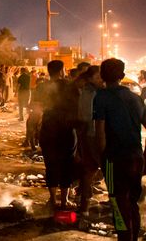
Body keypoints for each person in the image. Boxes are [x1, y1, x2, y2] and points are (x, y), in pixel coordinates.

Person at [94, 58, 146, 241]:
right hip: (136, 157)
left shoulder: (101, 97)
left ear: (102, 76)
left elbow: (100, 131)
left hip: (114, 159)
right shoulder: (135, 98)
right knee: (132, 202)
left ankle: (124, 239)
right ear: (123, 76)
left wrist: (101, 158)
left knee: (117, 202)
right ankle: (132, 239)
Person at [37, 60, 76, 211]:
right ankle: (64, 200)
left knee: (50, 164)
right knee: (67, 163)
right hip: (66, 128)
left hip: (48, 129)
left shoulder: (42, 86)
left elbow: (36, 108)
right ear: (61, 71)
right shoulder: (69, 86)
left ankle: (53, 199)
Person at [75, 65, 102, 216]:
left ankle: (84, 206)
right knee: (97, 170)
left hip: (93, 136)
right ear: (90, 78)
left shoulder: (93, 91)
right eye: (97, 77)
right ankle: (84, 206)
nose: (101, 80)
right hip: (94, 137)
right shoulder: (90, 93)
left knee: (90, 171)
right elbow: (86, 117)